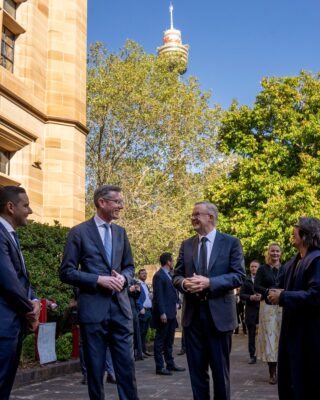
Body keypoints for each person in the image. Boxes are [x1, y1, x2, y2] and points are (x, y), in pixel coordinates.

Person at [60, 184, 139, 400]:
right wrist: (98, 280)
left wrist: (124, 278)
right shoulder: (78, 232)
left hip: (121, 310)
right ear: (101, 202)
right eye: (117, 201)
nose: (121, 206)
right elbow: (66, 272)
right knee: (95, 370)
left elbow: (130, 267)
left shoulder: (121, 233)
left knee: (126, 367)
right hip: (93, 311)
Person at [173, 201, 245, 400]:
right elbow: (176, 276)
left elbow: (239, 276)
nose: (193, 218)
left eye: (197, 214)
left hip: (219, 319)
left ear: (210, 217)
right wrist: (184, 284)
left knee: (220, 373)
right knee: (197, 373)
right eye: (192, 214)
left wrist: (210, 283)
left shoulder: (231, 242)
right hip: (193, 318)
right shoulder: (186, 244)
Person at [268, 217, 320, 400]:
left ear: (305, 234)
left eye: (295, 230)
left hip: (310, 335)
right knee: (290, 378)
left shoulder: (316, 260)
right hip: (292, 331)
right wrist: (283, 292)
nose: (292, 233)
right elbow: (299, 290)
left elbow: (315, 295)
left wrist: (283, 296)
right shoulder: (295, 261)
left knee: (307, 381)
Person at [0, 186, 41, 400]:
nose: (30, 211)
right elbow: (7, 281)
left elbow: (20, 278)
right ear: (10, 207)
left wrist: (34, 299)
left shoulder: (10, 235)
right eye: (25, 205)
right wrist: (30, 311)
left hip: (10, 326)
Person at [254, 242, 283, 385]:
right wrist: (267, 292)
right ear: (268, 252)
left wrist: (282, 292)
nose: (275, 254)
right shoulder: (262, 270)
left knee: (282, 339)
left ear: (281, 253)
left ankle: (283, 370)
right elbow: (256, 286)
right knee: (271, 340)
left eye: (277, 251)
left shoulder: (285, 269)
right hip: (267, 309)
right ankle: (273, 373)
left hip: (283, 308)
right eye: (272, 251)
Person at [152, 252, 185, 375]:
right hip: (164, 314)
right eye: (172, 261)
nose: (173, 263)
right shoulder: (159, 276)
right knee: (160, 341)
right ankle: (160, 367)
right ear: (168, 262)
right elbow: (158, 296)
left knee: (169, 341)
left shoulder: (170, 275)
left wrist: (177, 302)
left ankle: (170, 364)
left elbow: (173, 292)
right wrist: (162, 313)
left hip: (172, 313)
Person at [240, 260, 261, 364]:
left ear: (259, 268)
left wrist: (262, 296)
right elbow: (241, 294)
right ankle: (252, 356)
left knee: (265, 333)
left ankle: (264, 354)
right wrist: (250, 297)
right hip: (250, 310)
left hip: (262, 309)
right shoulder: (245, 280)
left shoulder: (263, 279)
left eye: (255, 267)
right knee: (251, 335)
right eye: (252, 266)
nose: (253, 268)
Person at [137, 268, 153, 357]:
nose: (144, 275)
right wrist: (140, 307)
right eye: (142, 273)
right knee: (140, 332)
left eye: (145, 273)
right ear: (138, 275)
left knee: (145, 332)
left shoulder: (146, 285)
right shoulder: (137, 284)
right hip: (142, 311)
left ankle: (144, 350)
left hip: (148, 311)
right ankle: (140, 352)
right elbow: (137, 298)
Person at [128, 280, 144, 361]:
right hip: (126, 309)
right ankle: (131, 354)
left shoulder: (132, 280)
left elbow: (136, 297)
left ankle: (137, 353)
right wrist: (129, 290)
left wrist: (137, 291)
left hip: (133, 310)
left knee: (136, 333)